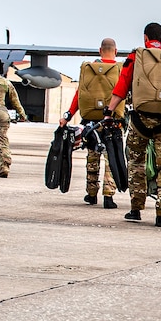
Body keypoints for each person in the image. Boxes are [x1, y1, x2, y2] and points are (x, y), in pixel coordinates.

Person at [106, 22, 161, 227]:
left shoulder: (137, 57)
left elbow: (122, 85)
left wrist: (109, 111)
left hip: (140, 120)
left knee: (136, 162)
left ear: (145, 38)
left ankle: (136, 209)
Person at [62, 38, 123, 208]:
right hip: (112, 121)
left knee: (92, 156)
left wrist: (67, 116)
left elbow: (79, 95)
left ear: (100, 50)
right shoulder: (120, 70)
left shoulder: (89, 69)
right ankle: (108, 196)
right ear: (115, 51)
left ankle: (91, 193)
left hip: (90, 121)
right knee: (110, 158)